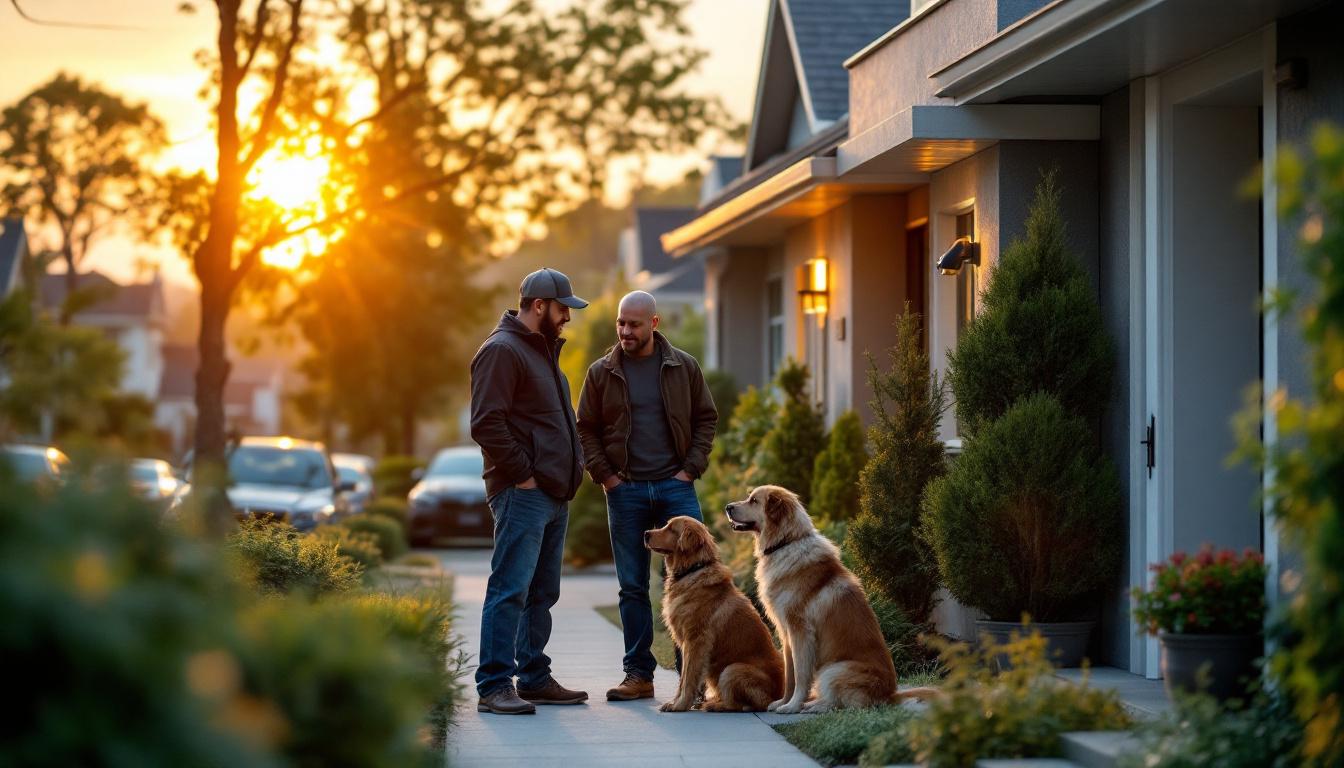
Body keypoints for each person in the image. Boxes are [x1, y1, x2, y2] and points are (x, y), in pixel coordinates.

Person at [576, 290, 718, 701]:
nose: (625, 331)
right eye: (621, 323)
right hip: (626, 491)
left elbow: (706, 418)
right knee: (632, 586)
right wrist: (606, 477)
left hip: (676, 489)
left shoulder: (683, 366)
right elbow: (585, 428)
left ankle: (690, 679)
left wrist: (689, 469)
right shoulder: (602, 372)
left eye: (634, 324)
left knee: (694, 579)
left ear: (653, 324)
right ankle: (638, 675)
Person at [469, 267, 590, 715]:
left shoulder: (541, 353)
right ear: (539, 305)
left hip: (553, 494)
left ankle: (534, 677)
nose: (568, 318)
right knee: (509, 590)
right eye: (563, 309)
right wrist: (523, 475)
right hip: (523, 493)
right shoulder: (501, 351)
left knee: (541, 593)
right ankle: (494, 685)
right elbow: (486, 422)